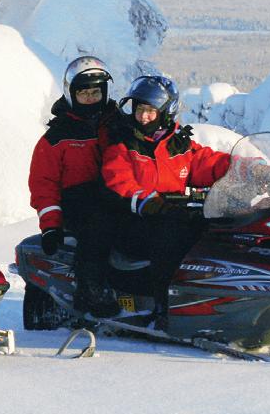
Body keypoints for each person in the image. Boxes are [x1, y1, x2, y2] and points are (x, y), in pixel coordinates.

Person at [100, 75, 231, 326]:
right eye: (139, 110)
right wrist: (150, 203)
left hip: (171, 213)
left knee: (213, 230)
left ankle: (212, 300)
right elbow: (119, 181)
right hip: (132, 218)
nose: (143, 117)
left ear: (165, 112)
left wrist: (245, 168)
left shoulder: (177, 143)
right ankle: (164, 308)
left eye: (150, 111)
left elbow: (205, 162)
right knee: (171, 239)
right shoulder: (123, 143)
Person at [28, 56, 121, 318]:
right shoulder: (57, 137)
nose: (91, 98)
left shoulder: (117, 124)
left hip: (115, 194)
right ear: (71, 94)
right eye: (84, 93)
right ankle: (91, 290)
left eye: (96, 92)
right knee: (98, 225)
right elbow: (43, 183)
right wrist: (50, 226)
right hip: (77, 200)